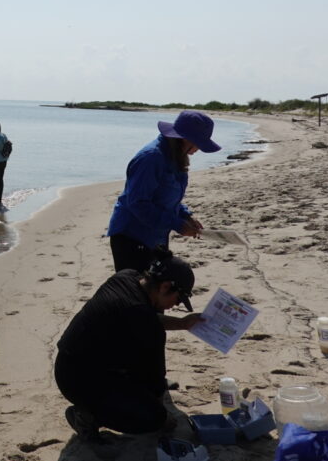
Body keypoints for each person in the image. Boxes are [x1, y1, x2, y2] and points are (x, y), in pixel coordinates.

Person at [53, 250, 203, 439]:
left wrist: (182, 323)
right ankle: (87, 417)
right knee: (153, 418)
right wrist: (162, 418)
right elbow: (156, 383)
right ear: (165, 287)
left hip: (67, 364)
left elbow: (142, 315)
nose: (175, 305)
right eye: (178, 299)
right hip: (79, 381)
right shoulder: (144, 321)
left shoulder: (126, 277)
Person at [106, 110, 220, 272]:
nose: (199, 149)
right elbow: (138, 203)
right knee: (138, 292)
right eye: (199, 143)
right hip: (131, 237)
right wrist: (177, 224)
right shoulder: (151, 158)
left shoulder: (175, 156)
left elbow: (165, 198)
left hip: (155, 236)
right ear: (184, 139)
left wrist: (186, 215)